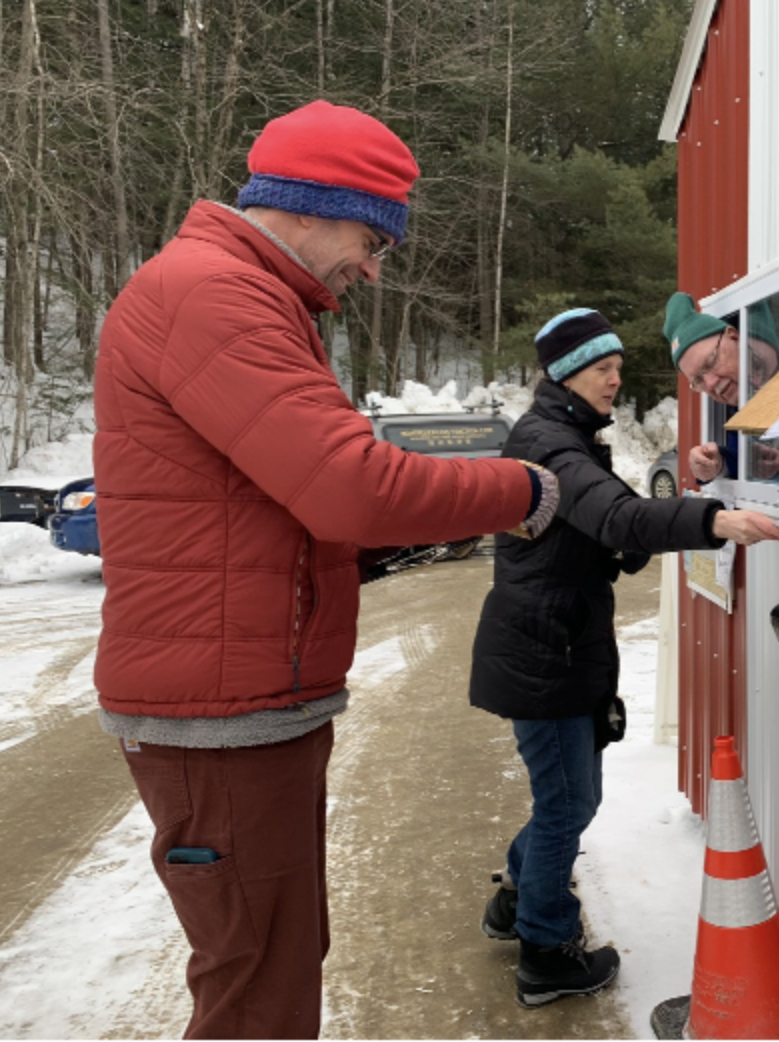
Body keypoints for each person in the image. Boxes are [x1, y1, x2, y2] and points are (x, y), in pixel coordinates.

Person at [92, 100, 559, 1039]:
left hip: (248, 704)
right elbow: (349, 485)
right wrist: (523, 491)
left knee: (277, 962)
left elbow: (278, 506)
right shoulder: (213, 294)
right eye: (371, 236)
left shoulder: (246, 295)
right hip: (220, 717)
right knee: (256, 995)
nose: (373, 268)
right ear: (309, 205)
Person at [468, 308, 779, 1008]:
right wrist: (715, 521)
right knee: (568, 804)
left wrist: (679, 493)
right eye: (601, 368)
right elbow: (614, 519)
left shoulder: (571, 437)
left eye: (617, 366)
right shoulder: (551, 444)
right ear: (564, 373)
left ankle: (518, 901)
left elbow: (610, 532)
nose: (616, 378)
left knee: (563, 799)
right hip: (545, 652)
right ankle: (546, 953)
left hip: (560, 642)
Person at [665, 292, 779, 481]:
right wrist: (718, 465)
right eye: (698, 380)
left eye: (711, 361)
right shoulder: (734, 397)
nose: (711, 383)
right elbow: (740, 458)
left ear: (734, 336)